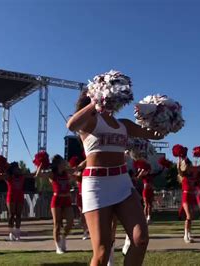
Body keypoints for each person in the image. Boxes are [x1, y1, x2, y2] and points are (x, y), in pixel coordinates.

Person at [67, 90, 163, 265]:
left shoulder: (124, 124)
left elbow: (157, 134)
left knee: (140, 239)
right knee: (102, 251)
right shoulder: (90, 120)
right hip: (96, 185)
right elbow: (71, 125)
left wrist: (160, 114)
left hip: (122, 182)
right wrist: (95, 101)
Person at [35, 155, 76, 254]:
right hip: (57, 199)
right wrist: (41, 164)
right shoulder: (52, 174)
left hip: (67, 199)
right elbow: (38, 175)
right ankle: (58, 247)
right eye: (62, 161)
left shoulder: (66, 172)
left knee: (70, 222)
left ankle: (63, 237)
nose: (64, 162)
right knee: (57, 224)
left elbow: (77, 169)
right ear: (58, 163)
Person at [177, 156, 197, 243]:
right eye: (188, 165)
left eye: (190, 165)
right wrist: (179, 159)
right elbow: (178, 169)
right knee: (188, 216)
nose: (189, 166)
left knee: (191, 216)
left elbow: (199, 167)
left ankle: (189, 234)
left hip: (192, 196)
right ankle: (185, 235)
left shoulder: (192, 175)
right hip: (186, 195)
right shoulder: (183, 174)